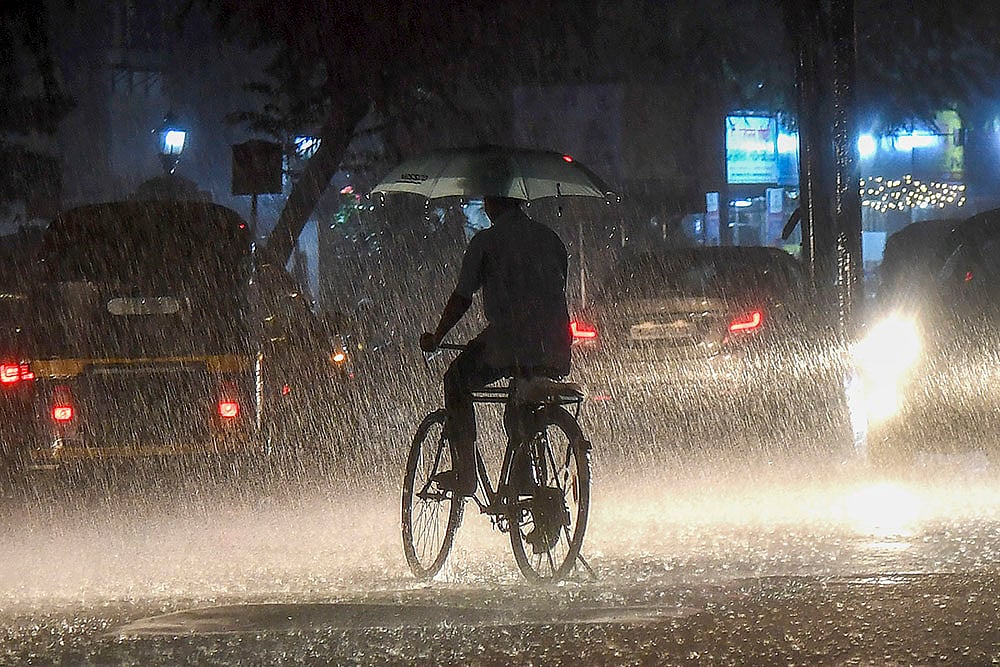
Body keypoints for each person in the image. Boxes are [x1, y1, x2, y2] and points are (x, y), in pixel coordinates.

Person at [420, 196, 572, 497]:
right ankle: (523, 475)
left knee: (456, 380)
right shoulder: (550, 239)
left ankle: (465, 472)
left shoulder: (486, 242)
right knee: (522, 400)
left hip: (509, 339)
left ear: (491, 204)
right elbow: (557, 290)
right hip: (555, 343)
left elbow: (463, 297)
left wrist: (437, 336)